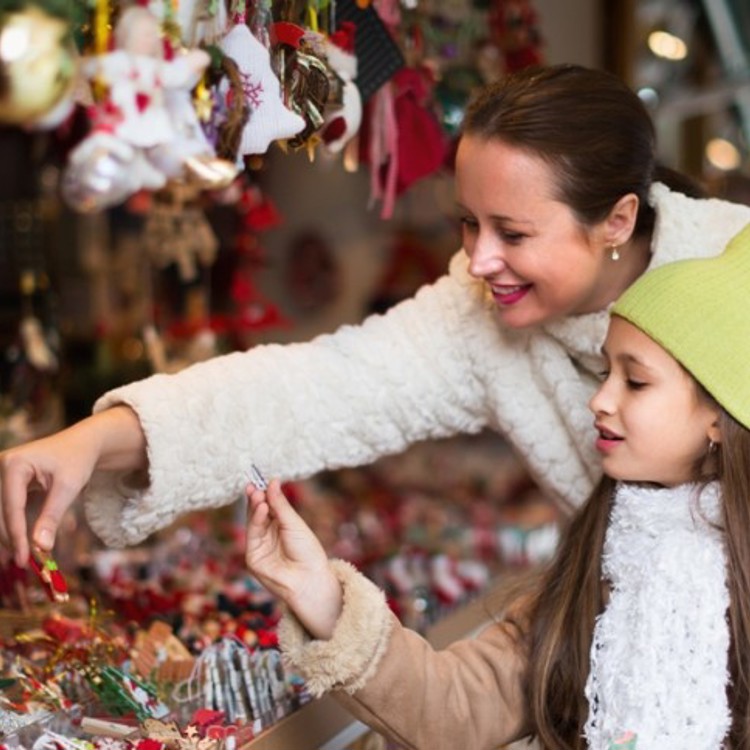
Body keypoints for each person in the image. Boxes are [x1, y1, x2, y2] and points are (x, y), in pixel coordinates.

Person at [2, 64, 750, 567]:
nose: (480, 260)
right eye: (468, 223)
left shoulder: (732, 271)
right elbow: (315, 393)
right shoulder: (477, 314)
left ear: (618, 220)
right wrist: (99, 438)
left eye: (513, 234)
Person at [243, 223, 750, 750]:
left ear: (720, 415)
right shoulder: (600, 562)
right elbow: (459, 707)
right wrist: (321, 598)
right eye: (605, 373)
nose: (600, 400)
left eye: (636, 381)